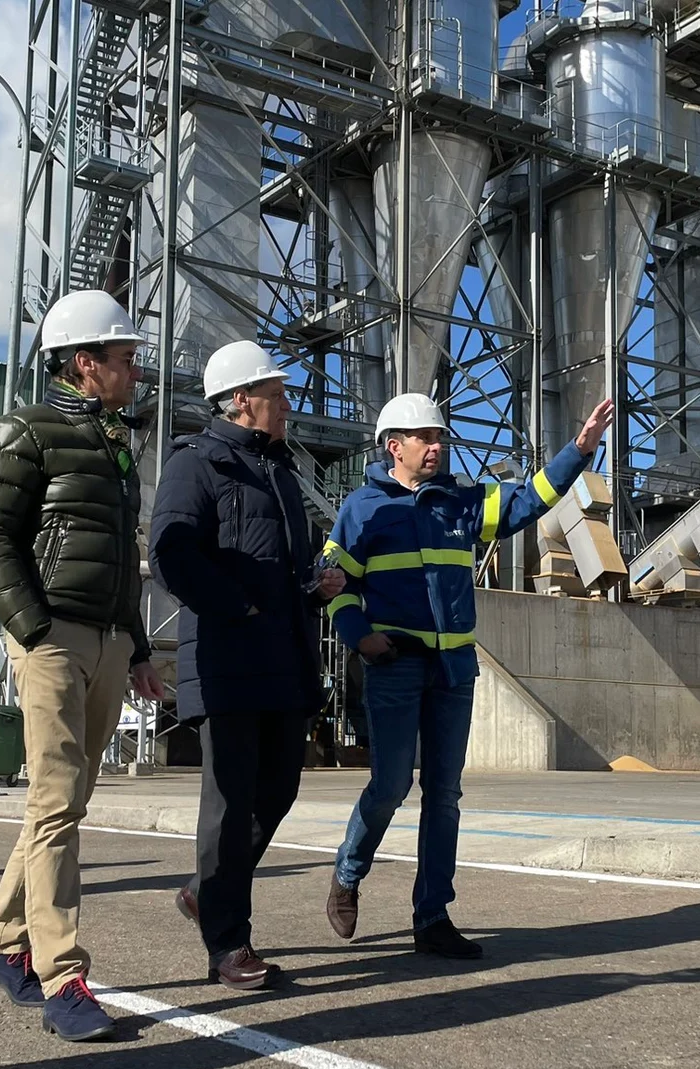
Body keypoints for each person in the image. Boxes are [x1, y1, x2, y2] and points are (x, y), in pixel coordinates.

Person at [322, 392, 614, 958]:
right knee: (390, 786)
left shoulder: (460, 502)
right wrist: (361, 638)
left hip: (453, 669)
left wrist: (578, 451)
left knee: (445, 795)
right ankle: (349, 872)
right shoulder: (362, 508)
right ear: (394, 446)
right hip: (394, 666)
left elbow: (528, 500)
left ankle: (432, 916)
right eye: (425, 439)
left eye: (440, 438)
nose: (437, 447)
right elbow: (336, 586)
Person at [0, 288, 166, 1042]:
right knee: (55, 804)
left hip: (109, 639)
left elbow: (124, 562)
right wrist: (34, 629)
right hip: (54, 636)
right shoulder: (27, 429)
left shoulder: (118, 444)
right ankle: (62, 976)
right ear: (86, 363)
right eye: (124, 358)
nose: (135, 370)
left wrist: (136, 646)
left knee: (65, 802)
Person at [148, 341, 344, 991]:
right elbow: (173, 555)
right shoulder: (196, 463)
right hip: (228, 659)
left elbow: (281, 568)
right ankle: (229, 941)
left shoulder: (280, 474)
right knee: (229, 805)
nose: (288, 404)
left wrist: (312, 587)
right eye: (276, 393)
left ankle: (208, 891)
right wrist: (239, 607)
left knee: (279, 789)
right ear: (240, 399)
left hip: (283, 660)